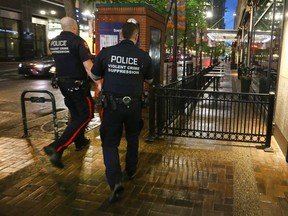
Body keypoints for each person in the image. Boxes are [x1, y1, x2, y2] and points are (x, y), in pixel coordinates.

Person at [91, 21, 154, 202]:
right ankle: (131, 170)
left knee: (110, 143)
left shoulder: (106, 53)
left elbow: (95, 76)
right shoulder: (143, 56)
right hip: (134, 106)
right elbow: (149, 79)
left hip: (112, 106)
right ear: (136, 37)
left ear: (120, 35)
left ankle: (115, 181)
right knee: (133, 137)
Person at [43, 17, 96, 169]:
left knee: (76, 116)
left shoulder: (53, 42)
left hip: (64, 85)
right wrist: (99, 81)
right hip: (78, 86)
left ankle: (80, 141)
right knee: (87, 115)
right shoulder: (78, 42)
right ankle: (56, 147)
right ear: (74, 27)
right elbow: (88, 66)